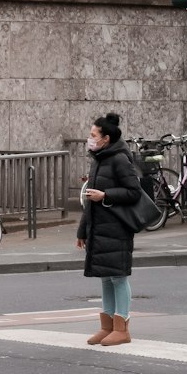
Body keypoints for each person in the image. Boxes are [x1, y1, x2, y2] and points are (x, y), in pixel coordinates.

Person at [76, 111, 143, 347]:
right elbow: (89, 198)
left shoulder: (119, 159)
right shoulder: (100, 158)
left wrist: (106, 195)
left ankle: (122, 328)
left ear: (106, 138)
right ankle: (107, 327)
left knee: (118, 276)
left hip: (117, 226)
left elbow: (134, 191)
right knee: (105, 276)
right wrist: (82, 230)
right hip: (100, 226)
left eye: (93, 135)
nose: (90, 138)